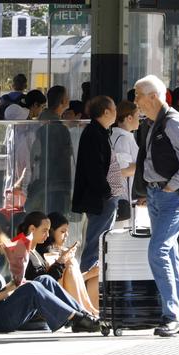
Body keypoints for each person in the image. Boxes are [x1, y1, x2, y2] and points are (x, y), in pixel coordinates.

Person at [134, 75, 179, 337]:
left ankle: (171, 316)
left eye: (138, 95)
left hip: (171, 196)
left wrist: (171, 186)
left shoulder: (172, 122)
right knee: (168, 253)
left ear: (154, 96)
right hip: (157, 194)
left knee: (158, 251)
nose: (135, 100)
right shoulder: (154, 122)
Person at [0, 221, 100, 333]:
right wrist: (7, 291)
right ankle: (75, 318)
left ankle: (83, 314)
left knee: (44, 280)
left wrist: (13, 285)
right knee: (32, 287)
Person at [72, 96, 121, 273]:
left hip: (105, 197)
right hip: (101, 199)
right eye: (114, 109)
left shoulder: (100, 132)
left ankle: (92, 280)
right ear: (106, 111)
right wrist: (106, 192)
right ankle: (87, 280)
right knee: (96, 243)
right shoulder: (94, 133)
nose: (117, 113)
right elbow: (94, 168)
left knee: (99, 241)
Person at [19, 212, 98, 316]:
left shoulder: (36, 252)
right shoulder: (30, 252)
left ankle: (88, 309)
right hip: (40, 299)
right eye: (45, 231)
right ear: (32, 229)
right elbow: (47, 281)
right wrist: (62, 260)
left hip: (46, 293)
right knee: (71, 263)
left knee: (75, 265)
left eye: (48, 231)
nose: (47, 235)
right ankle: (84, 311)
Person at [26, 85, 73, 215]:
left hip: (41, 182)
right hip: (55, 183)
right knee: (54, 220)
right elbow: (62, 157)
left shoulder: (40, 122)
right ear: (62, 101)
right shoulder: (57, 127)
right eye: (67, 97)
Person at [110, 100, 140, 226]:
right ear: (129, 118)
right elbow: (122, 170)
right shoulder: (122, 139)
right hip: (122, 199)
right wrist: (145, 165)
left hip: (125, 199)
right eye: (137, 116)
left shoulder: (123, 137)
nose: (140, 120)